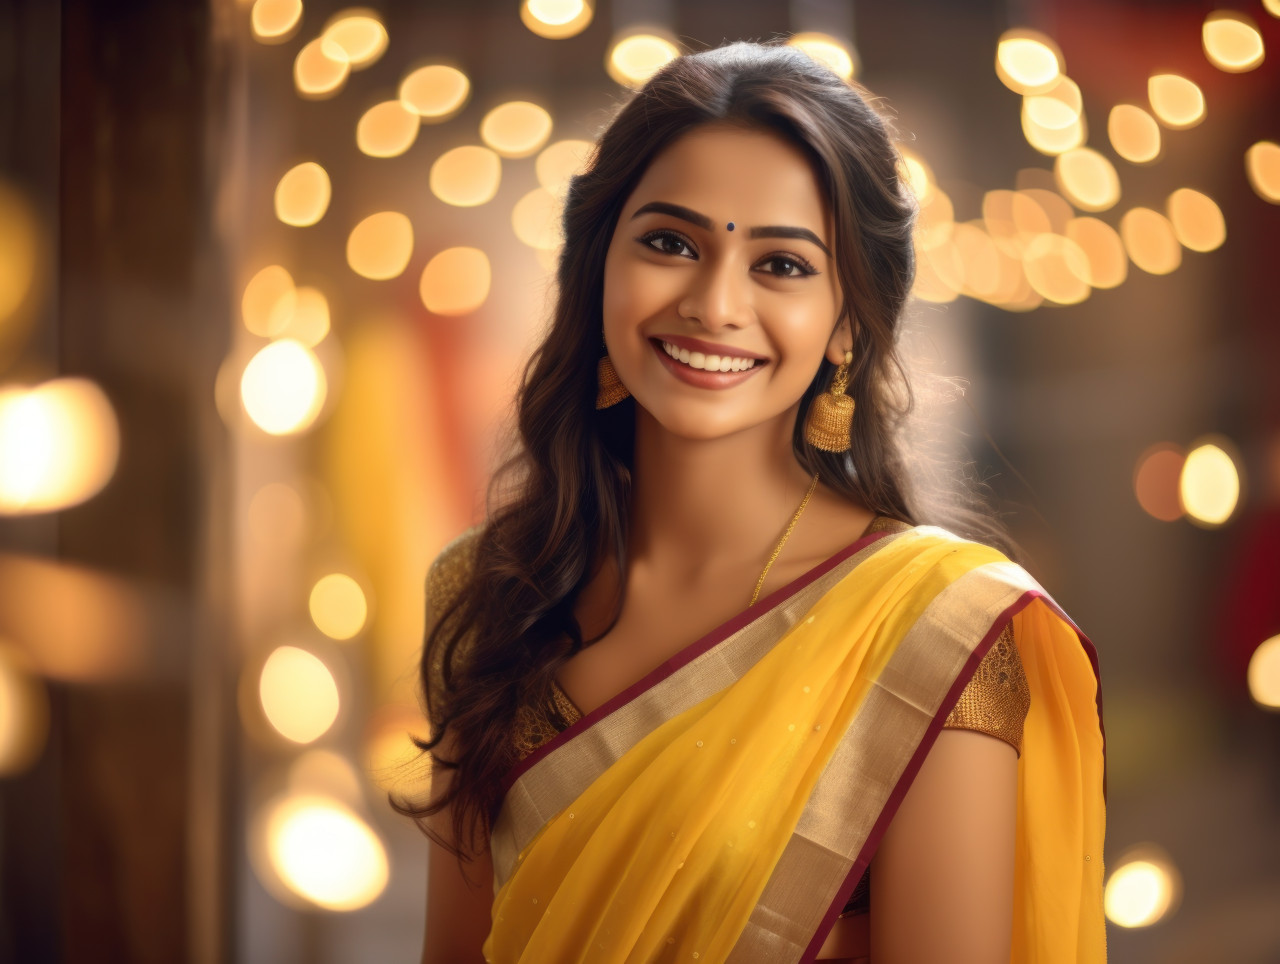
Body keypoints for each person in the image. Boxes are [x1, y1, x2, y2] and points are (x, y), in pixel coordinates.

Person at [404, 39, 1107, 964]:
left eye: (780, 265)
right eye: (668, 243)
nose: (715, 303)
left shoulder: (939, 634)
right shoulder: (491, 588)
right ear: (597, 270)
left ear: (848, 322)